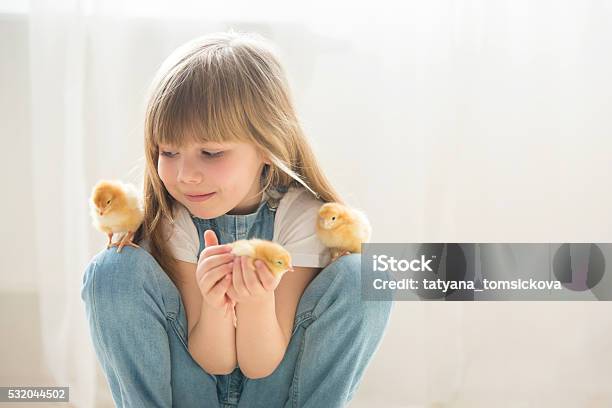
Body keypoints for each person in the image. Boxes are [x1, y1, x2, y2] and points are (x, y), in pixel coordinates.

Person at [81, 30, 393, 408]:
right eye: (169, 151)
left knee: (364, 273)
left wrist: (257, 302)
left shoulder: (302, 218)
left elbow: (261, 364)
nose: (186, 175)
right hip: (192, 389)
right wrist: (214, 305)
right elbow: (214, 358)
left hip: (273, 388)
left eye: (211, 153)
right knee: (112, 271)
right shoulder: (176, 219)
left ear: (266, 147)